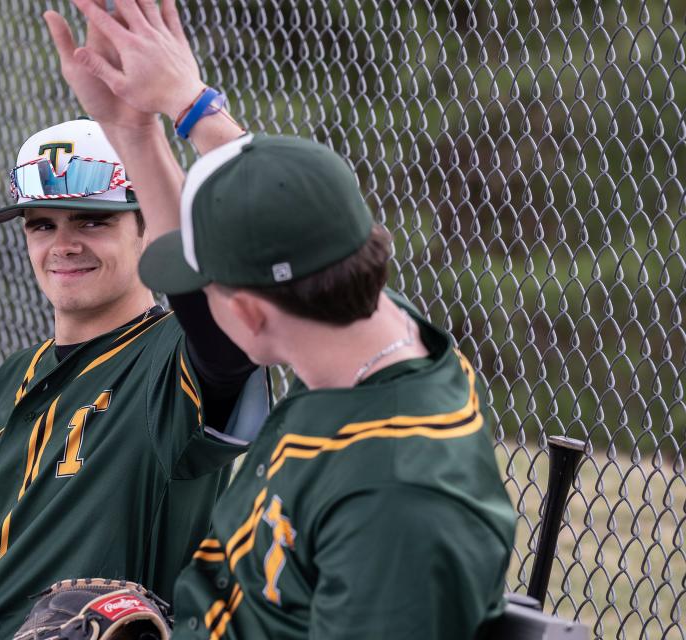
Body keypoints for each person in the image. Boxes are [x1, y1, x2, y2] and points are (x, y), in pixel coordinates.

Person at [46, 0, 518, 637]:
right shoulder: (372, 324)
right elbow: (274, 193)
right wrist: (165, 115)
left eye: (200, 289)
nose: (188, 306)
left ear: (246, 313)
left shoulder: (398, 504)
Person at [0, 87, 268, 640]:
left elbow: (245, 259)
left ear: (148, 228)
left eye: (93, 221)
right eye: (41, 224)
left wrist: (188, 107)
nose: (63, 244)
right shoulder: (10, 378)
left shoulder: (178, 358)